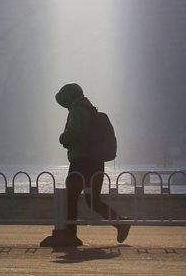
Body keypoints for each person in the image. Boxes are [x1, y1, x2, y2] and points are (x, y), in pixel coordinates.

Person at [42, 82, 130, 247]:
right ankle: (121, 223)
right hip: (96, 163)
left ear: (70, 96)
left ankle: (69, 234)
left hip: (81, 162)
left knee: (70, 198)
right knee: (93, 201)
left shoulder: (77, 109)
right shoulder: (90, 109)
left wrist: (63, 138)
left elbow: (74, 131)